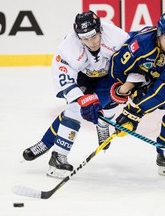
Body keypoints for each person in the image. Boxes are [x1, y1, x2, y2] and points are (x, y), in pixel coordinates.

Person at [22, 11, 129, 179]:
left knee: (111, 99)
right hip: (82, 77)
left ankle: (102, 123)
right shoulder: (68, 47)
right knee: (74, 109)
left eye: (94, 37)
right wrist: (82, 99)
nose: (91, 42)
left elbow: (133, 64)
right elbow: (64, 77)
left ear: (100, 29)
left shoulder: (118, 37)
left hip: (109, 76)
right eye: (85, 39)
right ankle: (58, 155)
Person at [109, 12, 165, 177]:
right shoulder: (142, 43)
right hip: (132, 78)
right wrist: (127, 87)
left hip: (154, 81)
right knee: (103, 101)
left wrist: (136, 110)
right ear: (159, 33)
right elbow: (116, 66)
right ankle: (103, 118)